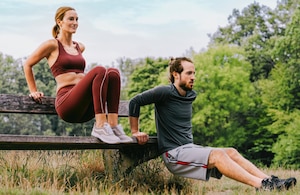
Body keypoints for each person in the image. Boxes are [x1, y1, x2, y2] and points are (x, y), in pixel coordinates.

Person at [128, 57, 297, 191]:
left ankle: (269, 180)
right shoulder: (164, 92)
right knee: (218, 155)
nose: (193, 77)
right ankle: (261, 186)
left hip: (189, 148)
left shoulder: (189, 95)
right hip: (174, 154)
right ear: (175, 74)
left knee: (231, 152)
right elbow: (135, 101)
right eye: (188, 73)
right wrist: (135, 131)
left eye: (194, 73)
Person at [23, 6, 132, 144]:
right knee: (99, 70)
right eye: (71, 19)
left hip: (85, 107)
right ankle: (100, 126)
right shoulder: (52, 45)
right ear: (59, 22)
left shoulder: (80, 47)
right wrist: (33, 91)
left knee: (113, 73)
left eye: (77, 19)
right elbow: (27, 64)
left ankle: (112, 125)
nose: (75, 22)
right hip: (68, 104)